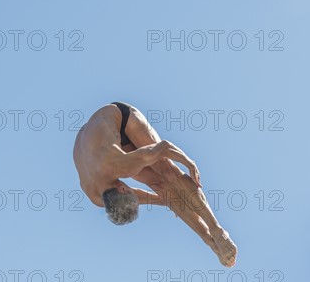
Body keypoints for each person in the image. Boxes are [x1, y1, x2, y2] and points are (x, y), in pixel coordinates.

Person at [73, 102, 237, 267]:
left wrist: (189, 163)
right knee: (160, 186)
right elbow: (144, 197)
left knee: (166, 170)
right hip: (94, 140)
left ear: (122, 188)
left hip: (120, 118)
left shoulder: (119, 165)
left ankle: (217, 230)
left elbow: (163, 148)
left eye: (129, 191)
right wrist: (168, 202)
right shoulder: (97, 198)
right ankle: (210, 242)